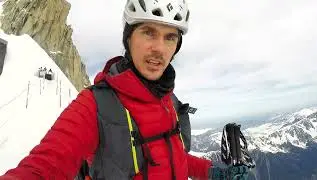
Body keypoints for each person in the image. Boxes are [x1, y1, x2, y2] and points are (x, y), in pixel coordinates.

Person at [0, 0, 250, 179]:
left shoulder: (168, 100)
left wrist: (213, 173)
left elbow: (172, 157)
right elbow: (43, 167)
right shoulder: (95, 105)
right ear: (128, 38)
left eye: (170, 37)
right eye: (148, 32)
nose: (159, 49)